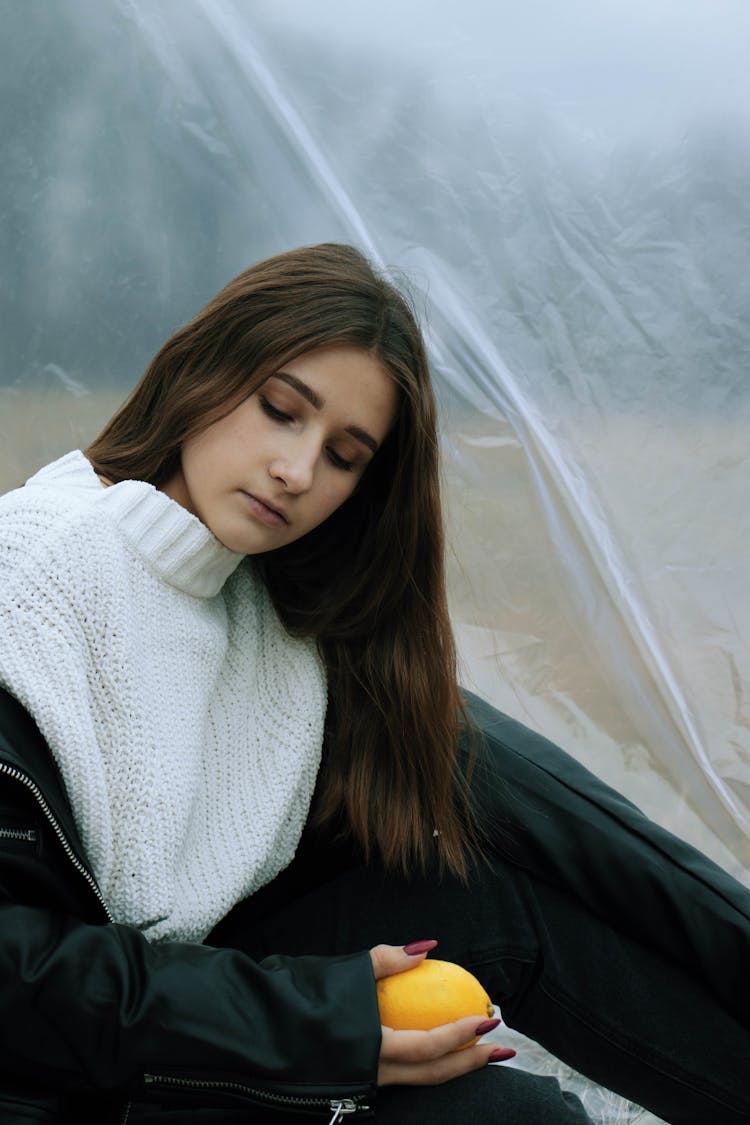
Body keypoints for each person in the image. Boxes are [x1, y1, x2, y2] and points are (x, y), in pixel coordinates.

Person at [0, 243, 747, 1125]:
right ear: (202, 370)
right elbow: (20, 976)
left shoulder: (262, 611)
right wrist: (322, 1019)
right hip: (61, 1081)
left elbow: (562, 828)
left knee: (488, 857)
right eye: (281, 410)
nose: (299, 471)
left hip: (174, 1019)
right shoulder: (35, 575)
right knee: (509, 1117)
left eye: (345, 456)